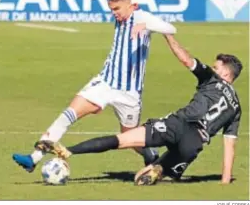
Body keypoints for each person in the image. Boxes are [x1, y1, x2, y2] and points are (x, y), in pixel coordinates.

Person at [36, 32, 243, 185]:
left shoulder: (212, 80)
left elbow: (186, 60)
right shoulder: (236, 107)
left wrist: (168, 35)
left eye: (216, 67)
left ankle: (68, 150)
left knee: (121, 140)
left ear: (225, 75)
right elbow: (229, 146)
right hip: (194, 142)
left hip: (177, 124)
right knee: (149, 174)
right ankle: (159, 169)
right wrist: (225, 181)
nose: (213, 69)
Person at [12, 0, 177, 172]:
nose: (114, 13)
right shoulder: (123, 17)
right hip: (105, 82)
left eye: (117, 9)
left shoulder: (142, 17)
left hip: (129, 92)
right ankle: (33, 158)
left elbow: (171, 28)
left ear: (129, 4)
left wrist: (146, 25)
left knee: (129, 136)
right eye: (111, 9)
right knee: (70, 113)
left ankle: (150, 155)